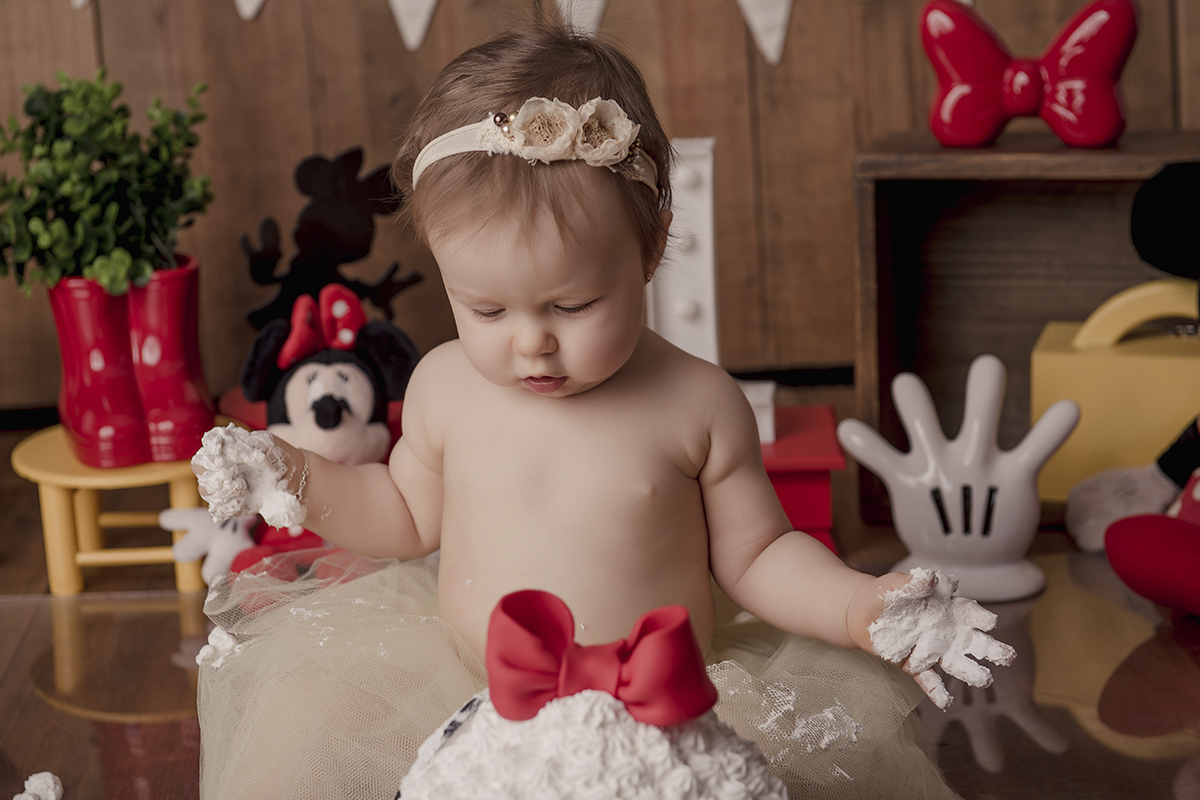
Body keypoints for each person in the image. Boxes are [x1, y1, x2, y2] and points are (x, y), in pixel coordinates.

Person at [192, 22, 1010, 800]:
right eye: (486, 309)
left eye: (573, 305)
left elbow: (758, 555)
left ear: (651, 248)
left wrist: (856, 606)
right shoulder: (445, 386)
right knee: (301, 723)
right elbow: (403, 514)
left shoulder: (696, 403)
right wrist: (297, 475)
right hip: (463, 685)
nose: (531, 343)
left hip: (664, 699)